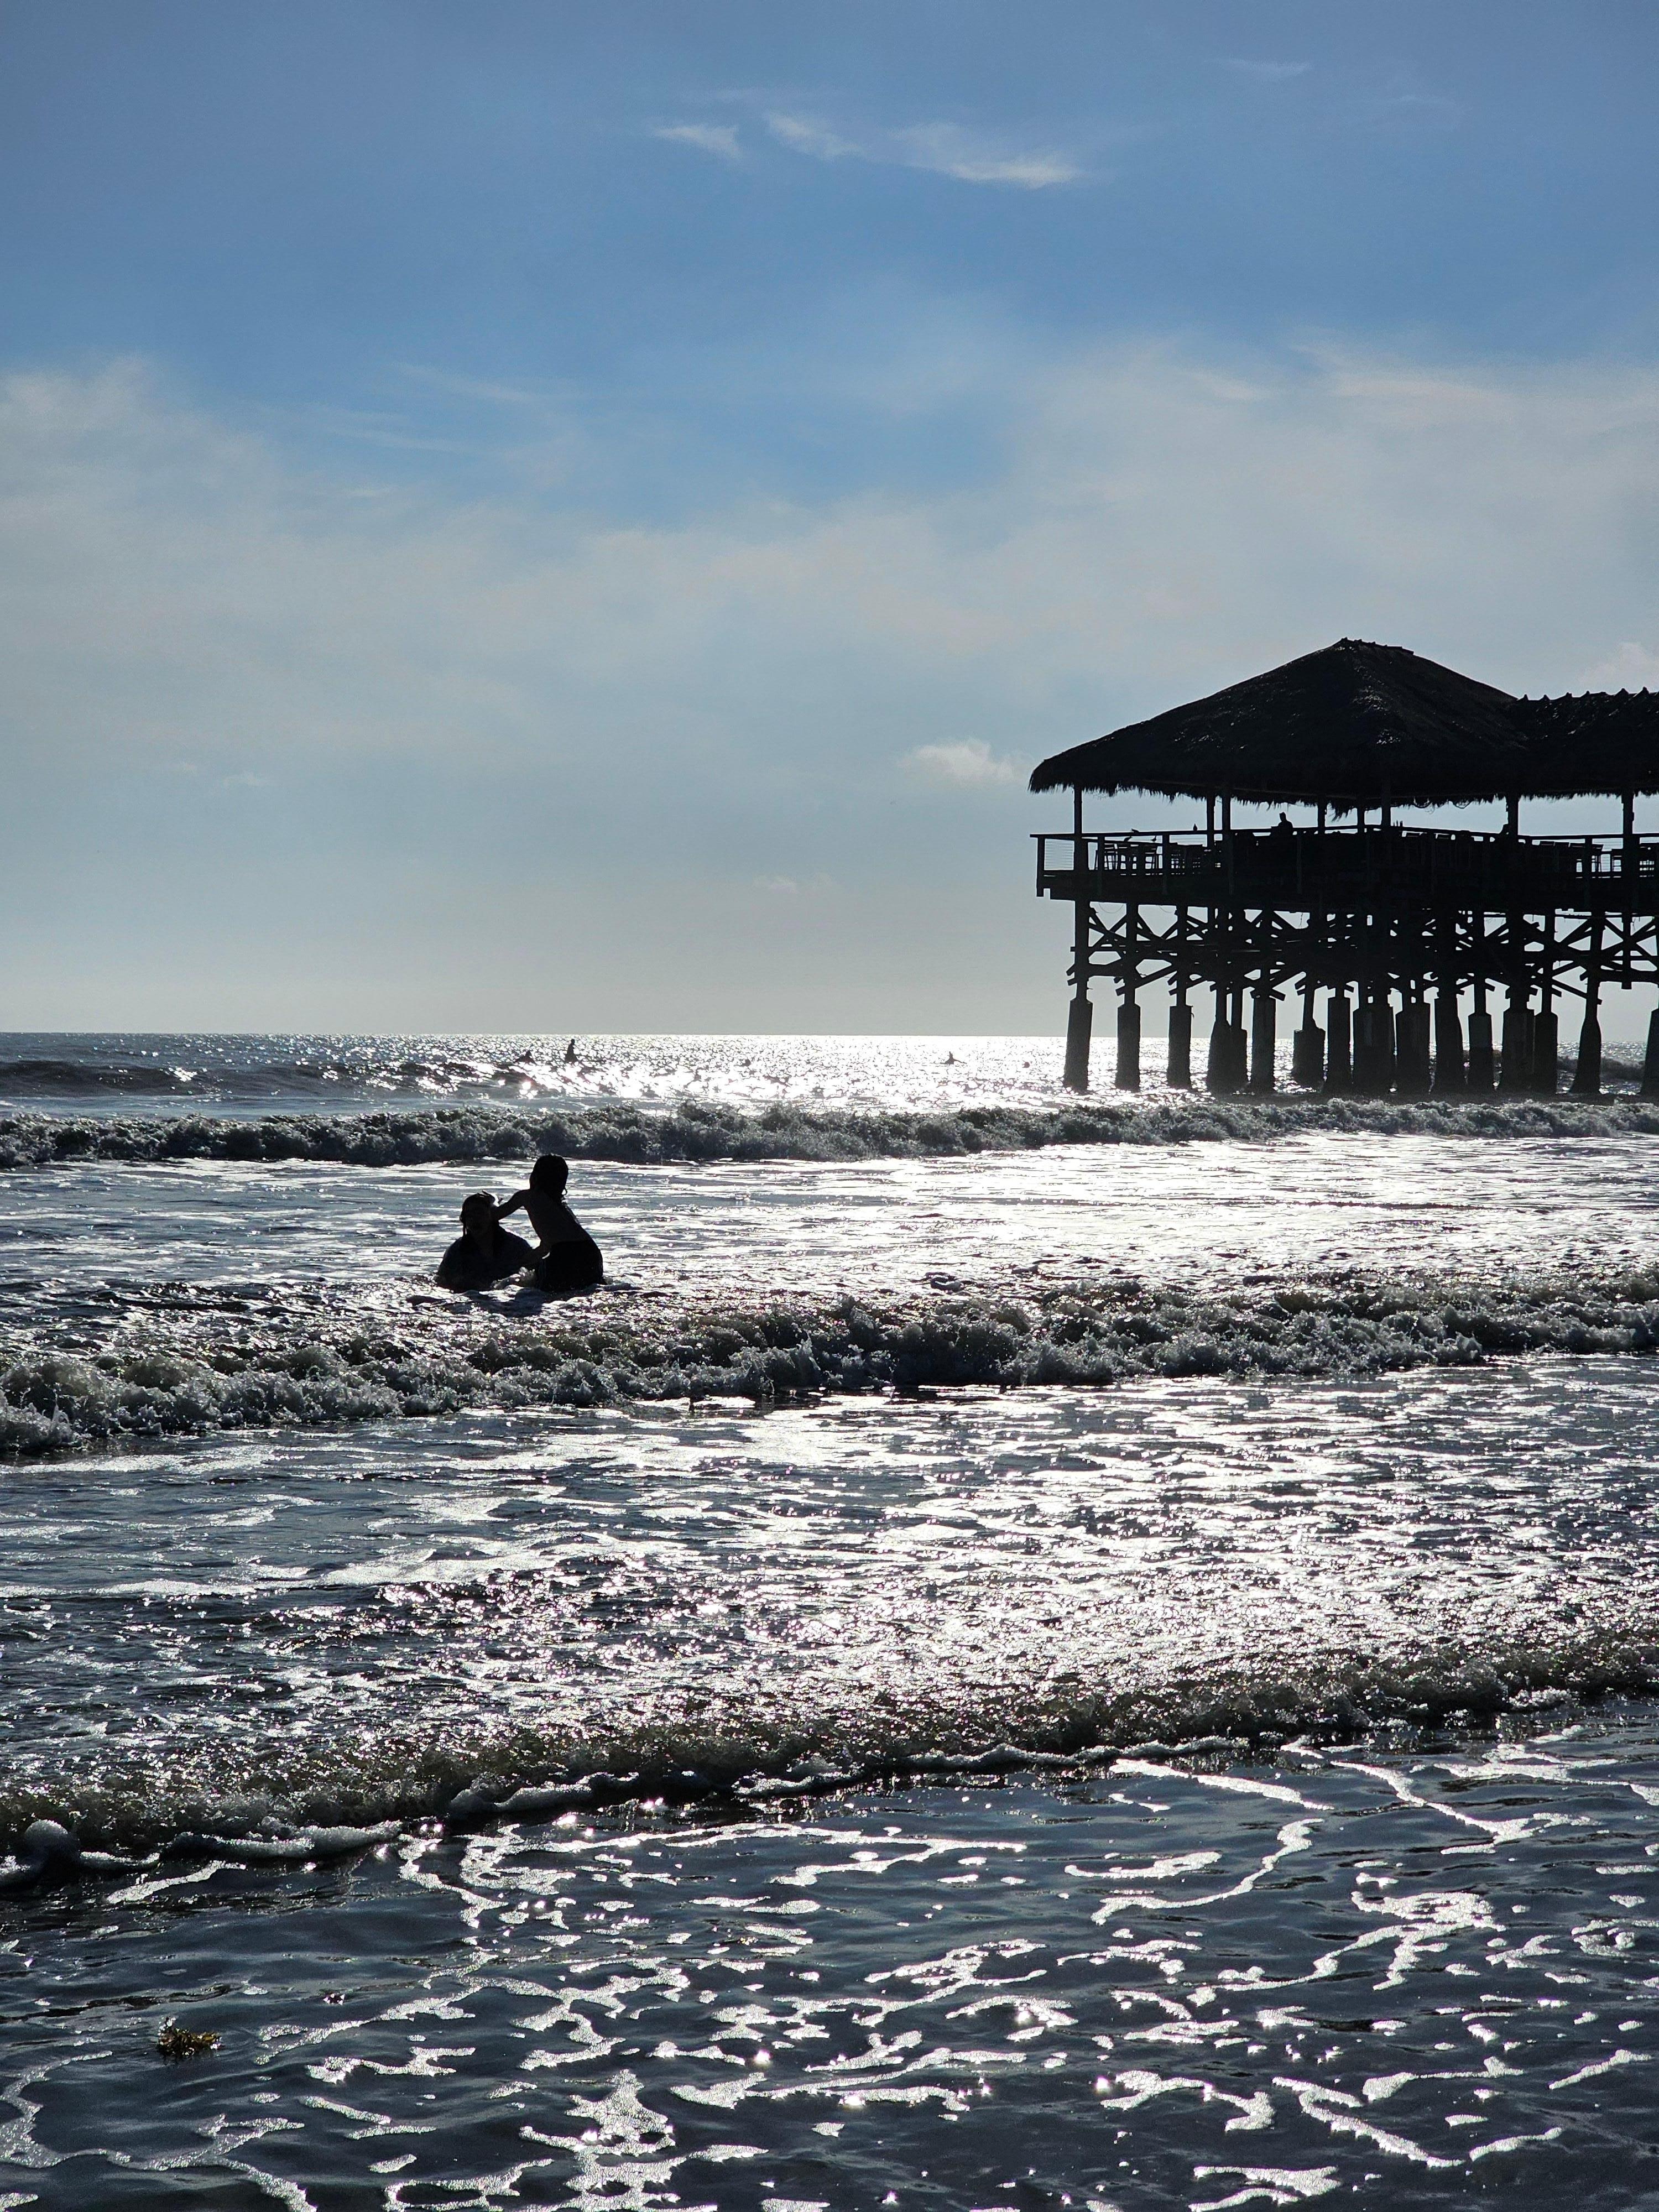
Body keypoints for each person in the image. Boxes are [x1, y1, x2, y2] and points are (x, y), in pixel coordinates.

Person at [495, 1154, 604, 1295]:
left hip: (565, 1255)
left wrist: (493, 1200)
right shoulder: (562, 1208)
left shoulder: (527, 1196)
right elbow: (546, 1247)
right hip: (591, 1254)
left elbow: (495, 1215)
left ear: (534, 1176)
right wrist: (519, 1264)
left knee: (539, 1296)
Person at [435, 1192, 536, 1292]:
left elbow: (536, 1275)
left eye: (479, 1213)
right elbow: (441, 1282)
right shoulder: (457, 1250)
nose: (475, 1220)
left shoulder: (516, 1246)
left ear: (493, 1216)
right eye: (469, 1215)